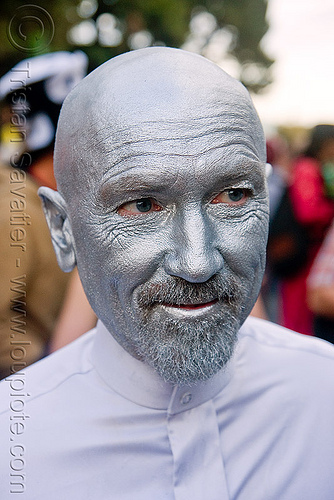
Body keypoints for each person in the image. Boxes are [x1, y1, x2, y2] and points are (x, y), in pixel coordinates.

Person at [1, 47, 334, 500]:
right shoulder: (14, 447)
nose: (198, 263)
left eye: (233, 195)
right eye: (142, 205)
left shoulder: (323, 397)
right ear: (64, 231)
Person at [280, 125, 334, 335]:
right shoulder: (306, 168)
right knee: (297, 317)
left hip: (311, 250)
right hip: (301, 252)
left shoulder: (319, 166)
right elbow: (308, 212)